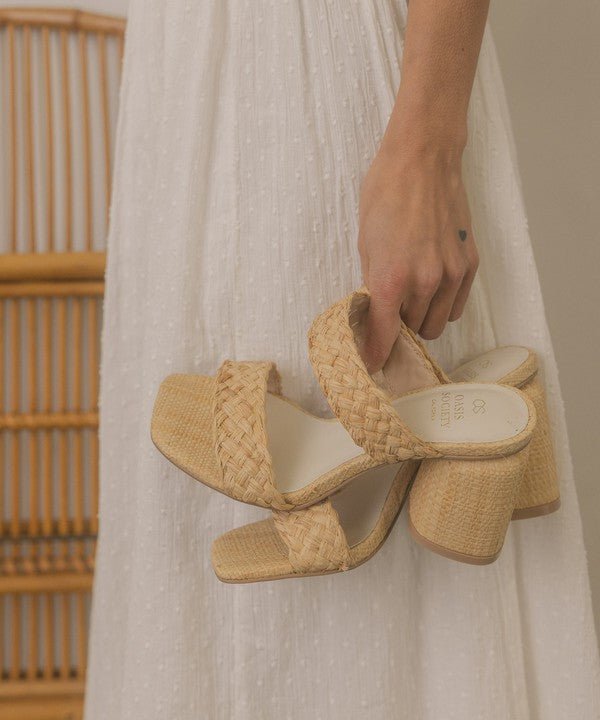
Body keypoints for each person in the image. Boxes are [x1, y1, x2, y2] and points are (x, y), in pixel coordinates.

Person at [84, 1, 600, 718]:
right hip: (178, 80)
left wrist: (426, 147)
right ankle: (450, 423)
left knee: (402, 632)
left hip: (333, 70)